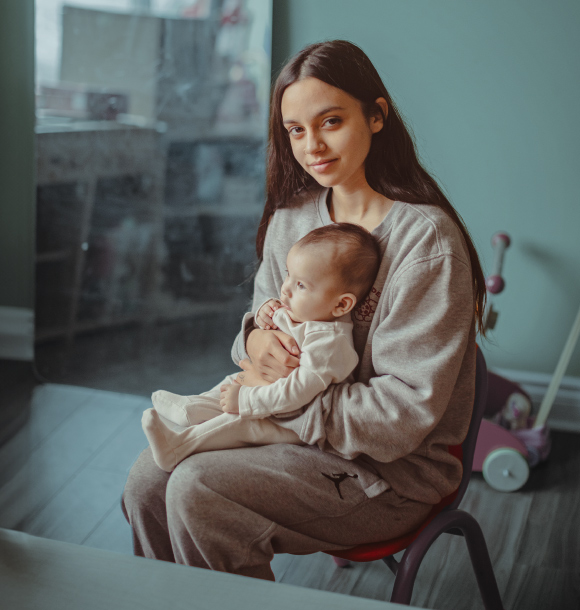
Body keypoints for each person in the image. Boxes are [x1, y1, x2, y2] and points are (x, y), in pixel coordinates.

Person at [122, 39, 487, 581]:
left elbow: (403, 416)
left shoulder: (425, 243)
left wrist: (284, 404)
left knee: (200, 491)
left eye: (331, 121)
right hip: (284, 429)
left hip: (389, 474)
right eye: (295, 130)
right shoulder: (293, 218)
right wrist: (254, 342)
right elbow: (262, 322)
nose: (311, 145)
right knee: (148, 478)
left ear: (377, 116)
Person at [141, 223, 380, 472]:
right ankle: (191, 409)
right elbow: (269, 321)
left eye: (301, 285)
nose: (285, 288)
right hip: (267, 393)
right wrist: (265, 313)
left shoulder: (329, 343)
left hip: (294, 421)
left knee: (238, 421)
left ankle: (179, 447)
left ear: (341, 305)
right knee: (233, 382)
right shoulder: (308, 311)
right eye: (288, 274)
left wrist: (247, 400)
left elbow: (296, 392)